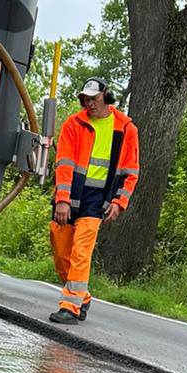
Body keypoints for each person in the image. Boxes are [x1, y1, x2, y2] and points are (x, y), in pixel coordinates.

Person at [48, 76, 140, 324]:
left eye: (94, 99)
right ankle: (82, 295)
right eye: (86, 99)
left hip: (96, 200)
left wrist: (119, 201)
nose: (90, 104)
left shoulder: (126, 128)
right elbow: (64, 165)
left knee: (81, 250)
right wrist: (63, 200)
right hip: (71, 195)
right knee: (60, 248)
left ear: (106, 97)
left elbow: (131, 171)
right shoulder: (73, 124)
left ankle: (70, 306)